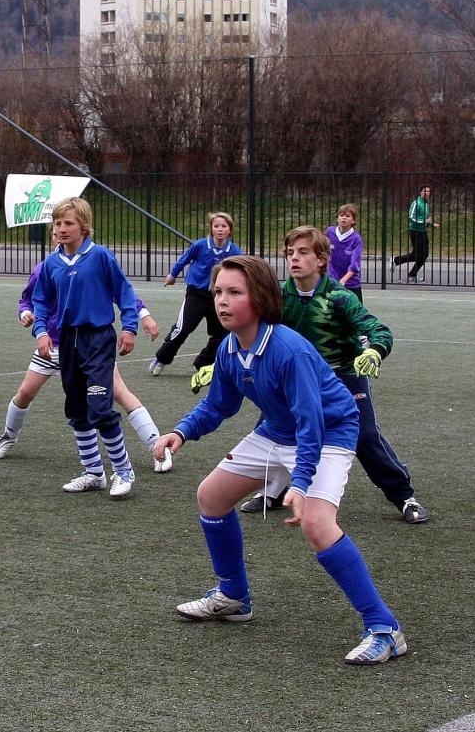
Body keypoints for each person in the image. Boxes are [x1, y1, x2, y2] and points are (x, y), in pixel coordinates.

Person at [153, 255, 407, 665]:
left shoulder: (288, 349)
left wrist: (301, 484)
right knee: (212, 496)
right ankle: (234, 596)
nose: (221, 300)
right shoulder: (230, 347)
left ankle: (384, 627)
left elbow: (311, 422)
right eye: (218, 291)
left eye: (234, 292)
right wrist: (180, 432)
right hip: (278, 430)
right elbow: (219, 405)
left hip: (328, 432)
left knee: (317, 524)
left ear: (261, 299)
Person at [238, 227, 428, 524]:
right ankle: (272, 491)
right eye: (290, 253)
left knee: (364, 435)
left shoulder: (339, 297)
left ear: (322, 260)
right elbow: (254, 332)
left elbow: (378, 330)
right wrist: (221, 362)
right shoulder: (278, 297)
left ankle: (405, 496)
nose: (294, 259)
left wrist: (374, 351)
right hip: (297, 379)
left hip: (343, 377)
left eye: (303, 253)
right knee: (273, 428)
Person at [0, 257, 174, 474]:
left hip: (89, 346)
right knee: (26, 392)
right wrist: (25, 313)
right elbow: (29, 299)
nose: (62, 233)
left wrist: (144, 315)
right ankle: (9, 436)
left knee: (120, 392)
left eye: (68, 225)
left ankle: (156, 445)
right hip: (53, 346)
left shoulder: (94, 262)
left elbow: (122, 291)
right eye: (58, 228)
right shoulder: (45, 268)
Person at [31, 197, 141, 499]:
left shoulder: (100, 256)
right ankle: (93, 472)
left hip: (98, 339)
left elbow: (125, 291)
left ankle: (123, 471)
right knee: (76, 408)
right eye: (57, 223)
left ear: (84, 226)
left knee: (100, 407)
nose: (62, 228)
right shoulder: (51, 263)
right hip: (67, 341)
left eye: (68, 223)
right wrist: (41, 332)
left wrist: (129, 327)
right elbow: (40, 300)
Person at [149, 211, 242, 376]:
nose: (220, 229)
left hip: (218, 297)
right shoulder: (200, 245)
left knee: (222, 333)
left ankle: (203, 363)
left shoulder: (234, 250)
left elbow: (243, 269)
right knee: (182, 328)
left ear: (230, 230)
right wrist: (172, 275)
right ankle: (162, 358)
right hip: (196, 295)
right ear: (211, 229)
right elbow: (184, 259)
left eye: (224, 226)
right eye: (216, 226)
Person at [391, 186, 438, 283]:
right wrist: (424, 221)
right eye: (425, 191)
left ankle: (410, 273)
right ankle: (396, 261)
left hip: (422, 232)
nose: (427, 193)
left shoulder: (425, 204)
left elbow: (425, 220)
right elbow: (411, 218)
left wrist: (432, 224)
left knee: (424, 255)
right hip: (415, 231)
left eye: (429, 191)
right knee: (417, 255)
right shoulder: (416, 203)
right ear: (421, 192)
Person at [327, 203, 364, 303]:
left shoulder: (356, 239)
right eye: (341, 215)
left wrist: (343, 280)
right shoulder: (330, 232)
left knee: (357, 315)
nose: (344, 218)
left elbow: (354, 265)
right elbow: (322, 250)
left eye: (347, 216)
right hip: (333, 282)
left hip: (351, 284)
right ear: (337, 219)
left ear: (353, 221)